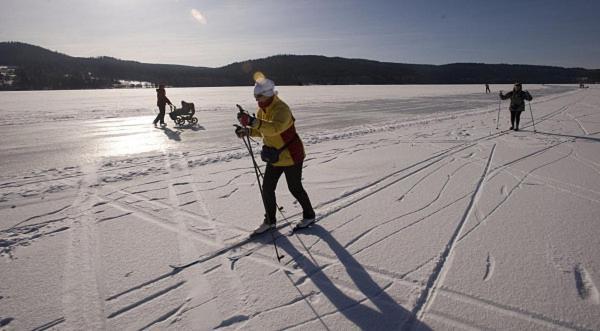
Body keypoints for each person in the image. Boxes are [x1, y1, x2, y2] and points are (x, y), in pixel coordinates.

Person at [236, 78, 316, 234]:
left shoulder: (282, 109)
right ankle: (270, 221)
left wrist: (252, 122)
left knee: (295, 188)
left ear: (268, 94)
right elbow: (262, 130)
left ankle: (309, 215)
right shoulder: (262, 109)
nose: (257, 99)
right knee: (267, 188)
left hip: (292, 155)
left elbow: (275, 128)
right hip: (274, 156)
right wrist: (247, 131)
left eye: (259, 96)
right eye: (255, 97)